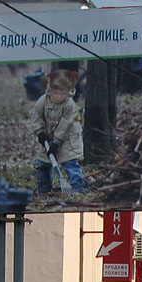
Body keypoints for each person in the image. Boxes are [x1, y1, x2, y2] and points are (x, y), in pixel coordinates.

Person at [29, 68, 86, 196]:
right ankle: (44, 189)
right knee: (43, 164)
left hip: (68, 139)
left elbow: (64, 125)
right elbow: (35, 116)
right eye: (56, 92)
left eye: (63, 93)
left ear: (68, 91)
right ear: (51, 89)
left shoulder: (70, 105)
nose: (59, 96)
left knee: (71, 164)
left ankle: (78, 188)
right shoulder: (44, 100)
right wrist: (40, 133)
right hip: (48, 137)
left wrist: (56, 143)